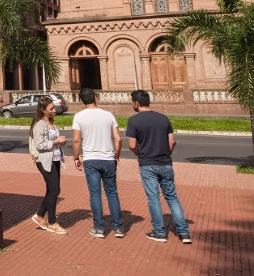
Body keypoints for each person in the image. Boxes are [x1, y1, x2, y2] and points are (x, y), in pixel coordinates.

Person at [126, 90, 192, 244]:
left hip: (147, 164)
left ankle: (159, 232)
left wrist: (140, 154)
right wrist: (165, 153)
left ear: (136, 103)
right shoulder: (163, 119)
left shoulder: (134, 121)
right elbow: (172, 141)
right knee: (172, 197)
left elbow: (132, 145)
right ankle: (184, 232)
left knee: (153, 198)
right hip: (165, 163)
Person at [72, 87, 124, 239]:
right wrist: (116, 155)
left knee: (95, 194)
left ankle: (99, 228)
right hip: (108, 159)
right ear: (96, 97)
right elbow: (118, 139)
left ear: (82, 100)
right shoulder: (108, 115)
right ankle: (118, 227)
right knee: (112, 193)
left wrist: (76, 157)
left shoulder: (79, 117)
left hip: (90, 159)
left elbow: (76, 139)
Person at [30, 96, 68, 235]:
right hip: (45, 161)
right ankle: (52, 222)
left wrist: (59, 141)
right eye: (51, 108)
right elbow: (39, 145)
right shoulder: (39, 125)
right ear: (43, 110)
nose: (54, 110)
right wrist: (56, 141)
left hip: (55, 159)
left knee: (52, 190)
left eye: (54, 108)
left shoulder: (50, 123)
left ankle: (40, 215)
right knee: (54, 190)